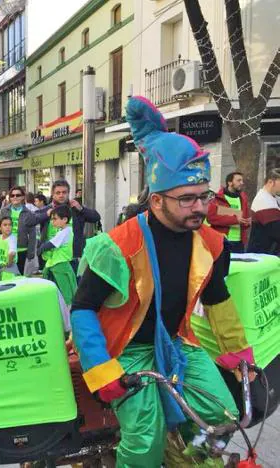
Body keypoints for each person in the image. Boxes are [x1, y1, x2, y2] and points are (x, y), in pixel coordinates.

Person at [70, 96, 254, 466]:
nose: (200, 208)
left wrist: (239, 355)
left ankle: (187, 458)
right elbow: (82, 308)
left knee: (223, 415)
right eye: (187, 199)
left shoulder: (211, 243)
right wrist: (102, 368)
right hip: (126, 349)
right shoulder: (118, 246)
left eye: (204, 197)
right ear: (156, 201)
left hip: (175, 341)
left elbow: (218, 299)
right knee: (143, 440)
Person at [37, 179, 100, 272]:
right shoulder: (47, 210)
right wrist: (45, 215)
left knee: (73, 285)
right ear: (53, 194)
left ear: (68, 193)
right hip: (49, 258)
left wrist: (81, 209)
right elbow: (31, 219)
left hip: (72, 258)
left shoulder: (75, 209)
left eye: (64, 192)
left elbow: (96, 217)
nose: (61, 195)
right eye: (58, 193)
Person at [0, 186, 47, 274]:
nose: (15, 197)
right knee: (5, 276)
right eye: (12, 195)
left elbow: (32, 235)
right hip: (5, 248)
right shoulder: (4, 211)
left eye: (18, 195)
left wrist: (31, 253)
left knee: (18, 277)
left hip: (21, 250)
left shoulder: (28, 213)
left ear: (22, 197)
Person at [37, 205, 77, 306]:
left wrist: (40, 249)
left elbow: (51, 244)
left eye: (55, 219)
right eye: (52, 219)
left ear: (64, 219)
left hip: (60, 264)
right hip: (57, 264)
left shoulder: (65, 231)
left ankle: (68, 313)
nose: (52, 221)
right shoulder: (63, 231)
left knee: (66, 291)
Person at [207, 171, 251, 253]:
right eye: (238, 180)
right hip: (222, 241)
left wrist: (247, 222)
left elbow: (244, 220)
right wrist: (235, 220)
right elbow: (211, 218)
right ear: (230, 182)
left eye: (242, 180)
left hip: (239, 243)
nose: (242, 183)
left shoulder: (243, 199)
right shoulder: (218, 199)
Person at [248, 169, 280, 254]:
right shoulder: (263, 201)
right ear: (270, 182)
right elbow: (277, 231)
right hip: (262, 255)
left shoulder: (273, 197)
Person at [0, 216, 19, 280]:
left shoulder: (12, 238)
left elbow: (12, 253)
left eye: (10, 225)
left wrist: (9, 263)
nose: (8, 227)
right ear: (0, 227)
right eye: (5, 225)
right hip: (0, 268)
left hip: (9, 271)